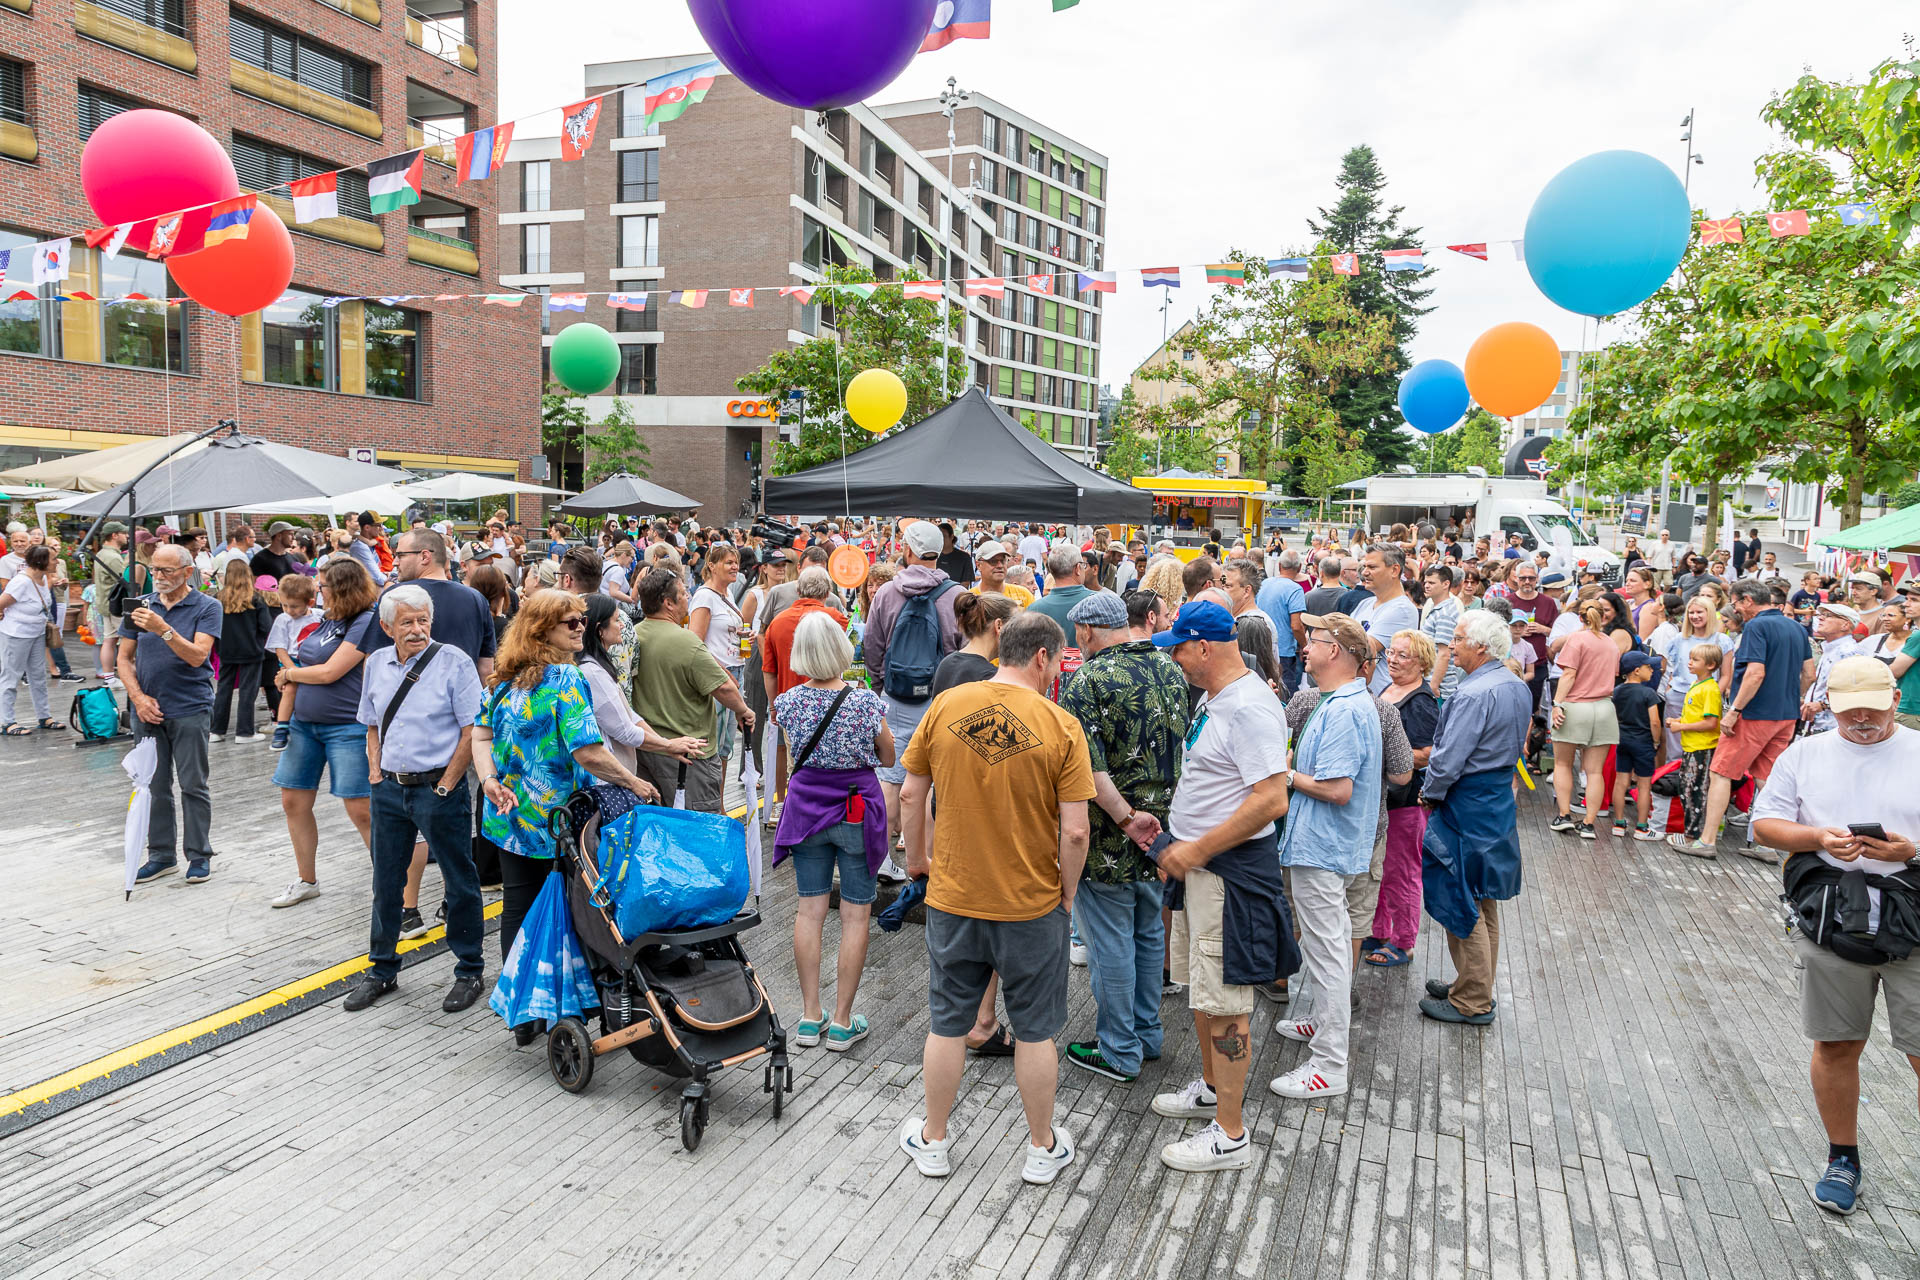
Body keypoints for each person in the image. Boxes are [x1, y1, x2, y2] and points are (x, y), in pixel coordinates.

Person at [896, 613, 1092, 1187]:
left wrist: (917, 861)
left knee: (948, 1023)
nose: (1056, 671)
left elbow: (911, 790)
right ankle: (1041, 1147)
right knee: (1034, 1031)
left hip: (954, 894)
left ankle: (933, 1141)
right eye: (1056, 661)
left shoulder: (947, 705)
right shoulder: (1060, 724)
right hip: (1032, 902)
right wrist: (1068, 892)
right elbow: (1076, 831)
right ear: (1040, 658)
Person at [1748, 656, 1920, 1217]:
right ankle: (1842, 1157)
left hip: (1913, 918)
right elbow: (1765, 823)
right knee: (1837, 1042)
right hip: (1831, 921)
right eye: (1849, 711)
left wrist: (1909, 851)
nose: (1862, 718)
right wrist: (1818, 836)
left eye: (1873, 706)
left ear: (1895, 697)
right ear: (1831, 706)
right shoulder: (1807, 753)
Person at [473, 590, 657, 1042]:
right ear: (541, 630)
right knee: (571, 910)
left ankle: (522, 1015)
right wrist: (634, 783)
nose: (580, 628)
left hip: (509, 814)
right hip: (559, 820)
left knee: (518, 907)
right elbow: (589, 753)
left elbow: (480, 738)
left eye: (580, 620)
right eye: (570, 623)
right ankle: (558, 1006)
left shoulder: (502, 679)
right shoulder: (566, 680)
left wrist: (489, 780)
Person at [1057, 592, 1189, 1084]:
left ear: (1088, 632)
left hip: (1113, 832)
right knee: (1149, 931)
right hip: (1163, 828)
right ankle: (1146, 1034)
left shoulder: (1087, 679)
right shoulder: (1169, 666)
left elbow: (1087, 769)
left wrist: (1126, 817)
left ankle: (1118, 1049)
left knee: (1111, 941)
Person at [339, 585, 488, 1013]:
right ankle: (382, 969)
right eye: (407, 622)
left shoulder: (453, 662)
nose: (417, 629)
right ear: (387, 627)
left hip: (437, 789)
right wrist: (374, 771)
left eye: (423, 620)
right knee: (386, 881)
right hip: (389, 787)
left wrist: (447, 783)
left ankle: (469, 969)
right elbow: (370, 724)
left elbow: (471, 730)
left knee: (459, 880)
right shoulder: (377, 664)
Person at [1268, 612, 1381, 1101]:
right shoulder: (1345, 701)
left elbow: (1337, 789)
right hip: (1323, 843)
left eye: (1311, 640)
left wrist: (1286, 775)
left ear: (1335, 650)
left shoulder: (1343, 709)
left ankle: (1330, 1065)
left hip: (1324, 845)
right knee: (1324, 948)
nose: (1304, 647)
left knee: (1329, 951)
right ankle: (1319, 1025)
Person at [771, 612, 894, 1052]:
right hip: (855, 808)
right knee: (856, 914)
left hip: (806, 810)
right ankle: (842, 1021)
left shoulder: (787, 702)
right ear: (841, 648)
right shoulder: (865, 702)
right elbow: (887, 752)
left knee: (809, 911)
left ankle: (809, 1016)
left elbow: (793, 751)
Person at [1419, 610, 1533, 1024]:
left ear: (1480, 647)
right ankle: (1472, 985)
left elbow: (1448, 760)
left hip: (1467, 802)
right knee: (1482, 900)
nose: (1452, 645)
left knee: (1461, 898)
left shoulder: (1472, 693)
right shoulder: (1514, 685)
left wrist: (1428, 794)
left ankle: (1472, 999)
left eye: (1459, 638)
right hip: (1495, 798)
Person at [270, 560, 380, 907]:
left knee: (360, 808)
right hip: (305, 724)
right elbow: (306, 663)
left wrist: (290, 676)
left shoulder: (365, 621)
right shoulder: (325, 620)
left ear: (343, 588)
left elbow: (332, 671)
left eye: (325, 585)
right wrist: (294, 673)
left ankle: (389, 880)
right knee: (293, 801)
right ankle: (307, 879)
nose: (318, 589)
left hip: (347, 725)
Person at [122, 545, 223, 884]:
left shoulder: (208, 606)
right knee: (152, 784)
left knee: (193, 784)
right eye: (154, 570)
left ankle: (199, 855)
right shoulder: (140, 606)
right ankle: (161, 856)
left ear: (187, 570)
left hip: (190, 706)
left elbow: (198, 656)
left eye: (166, 570)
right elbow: (123, 659)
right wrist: (137, 698)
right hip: (147, 709)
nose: (159, 577)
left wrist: (163, 628)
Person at [1694, 579, 1815, 861]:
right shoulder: (1796, 627)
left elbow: (1755, 673)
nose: (1735, 610)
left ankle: (1707, 841)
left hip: (1754, 713)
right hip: (1786, 714)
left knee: (1722, 772)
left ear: (1747, 600)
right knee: (1768, 779)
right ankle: (1767, 844)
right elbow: (1809, 674)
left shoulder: (1756, 626)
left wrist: (1735, 710)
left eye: (1736, 603)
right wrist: (1790, 697)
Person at [865, 521, 963, 842]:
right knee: (934, 780)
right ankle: (925, 862)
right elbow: (966, 651)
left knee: (891, 778)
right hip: (943, 700)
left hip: (895, 696)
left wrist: (883, 689)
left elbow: (873, 649)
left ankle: (881, 860)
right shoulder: (959, 596)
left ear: (907, 550)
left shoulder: (885, 593)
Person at [629, 568, 755, 814]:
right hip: (689, 755)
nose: (689, 597)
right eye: (684, 593)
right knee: (698, 830)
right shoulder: (686, 642)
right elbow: (725, 687)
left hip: (648, 750)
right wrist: (744, 711)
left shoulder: (634, 635)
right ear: (668, 603)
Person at [1370, 630, 1440, 967]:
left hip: (1406, 800)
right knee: (1382, 869)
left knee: (1402, 871)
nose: (1393, 660)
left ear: (1423, 663)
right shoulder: (1389, 688)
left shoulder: (1422, 702)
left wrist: (1382, 754)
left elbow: (1427, 753)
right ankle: (1380, 930)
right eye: (1391, 654)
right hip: (1385, 798)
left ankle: (1404, 941)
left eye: (1403, 655)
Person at [1548, 600, 1622, 839]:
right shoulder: (1611, 644)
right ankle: (1589, 823)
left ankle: (1564, 815)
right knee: (1594, 771)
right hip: (1603, 708)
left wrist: (1557, 703)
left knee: (1562, 764)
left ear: (1580, 617)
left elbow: (1569, 674)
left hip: (1576, 706)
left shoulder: (1576, 640)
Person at [1666, 643, 1726, 855]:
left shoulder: (1710, 689)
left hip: (1702, 748)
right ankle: (1690, 831)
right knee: (1687, 789)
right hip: (1691, 745)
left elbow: (1711, 722)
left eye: (1695, 660)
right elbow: (1698, 716)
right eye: (1690, 658)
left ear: (1710, 665)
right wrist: (1680, 720)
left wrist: (1681, 726)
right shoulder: (1698, 686)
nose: (1690, 663)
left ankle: (1693, 834)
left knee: (1695, 791)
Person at [0, 545, 61, 735]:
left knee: (38, 676)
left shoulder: (42, 578)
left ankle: (44, 716)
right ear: (41, 561)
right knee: (10, 677)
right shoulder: (21, 582)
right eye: (53, 559)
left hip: (36, 633)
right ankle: (6, 721)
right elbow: (2, 603)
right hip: (16, 634)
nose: (56, 562)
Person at [209, 562, 272, 744]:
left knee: (223, 689)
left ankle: (216, 730)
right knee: (247, 691)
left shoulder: (218, 599)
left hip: (226, 650)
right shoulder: (256, 599)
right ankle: (244, 732)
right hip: (251, 650)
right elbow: (266, 627)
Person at [1609, 653, 1664, 840]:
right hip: (1643, 743)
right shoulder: (1648, 693)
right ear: (1637, 670)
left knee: (1620, 781)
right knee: (1643, 785)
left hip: (1622, 740)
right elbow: (1655, 722)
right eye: (1649, 667)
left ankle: (1618, 823)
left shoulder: (1617, 691)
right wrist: (1656, 741)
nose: (1653, 670)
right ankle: (1641, 827)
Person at [1352, 547, 1417, 695]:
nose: (1364, 572)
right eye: (1364, 566)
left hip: (1381, 697)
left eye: (1372, 567)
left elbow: (1362, 647)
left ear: (1394, 570)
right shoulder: (1366, 603)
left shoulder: (1402, 610)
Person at [933, 590, 1016, 697]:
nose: (1019, 631)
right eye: (1015, 624)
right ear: (999, 626)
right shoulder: (991, 678)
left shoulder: (946, 664)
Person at [1800, 602, 1863, 736]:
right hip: (1818, 724)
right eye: (1820, 615)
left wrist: (1822, 705)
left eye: (1828, 615)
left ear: (1845, 625)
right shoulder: (1832, 648)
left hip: (1832, 726)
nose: (1821, 618)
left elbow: (1852, 688)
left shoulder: (1848, 652)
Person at [1257, 550, 1308, 691]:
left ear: (1279, 566)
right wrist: (1304, 645)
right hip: (1283, 651)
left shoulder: (1264, 584)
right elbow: (1296, 626)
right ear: (1299, 568)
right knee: (1285, 689)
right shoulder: (1295, 589)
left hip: (1261, 646)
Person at [89, 521, 130, 683]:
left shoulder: (101, 553)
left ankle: (109, 677)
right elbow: (124, 581)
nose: (127, 536)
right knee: (127, 639)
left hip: (105, 602)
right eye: (123, 533)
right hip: (116, 605)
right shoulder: (113, 556)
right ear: (114, 535)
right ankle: (126, 674)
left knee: (109, 639)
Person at [934, 522, 975, 588]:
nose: (940, 539)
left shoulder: (964, 557)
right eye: (938, 536)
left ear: (952, 537)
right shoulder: (933, 557)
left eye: (943, 536)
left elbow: (965, 584)